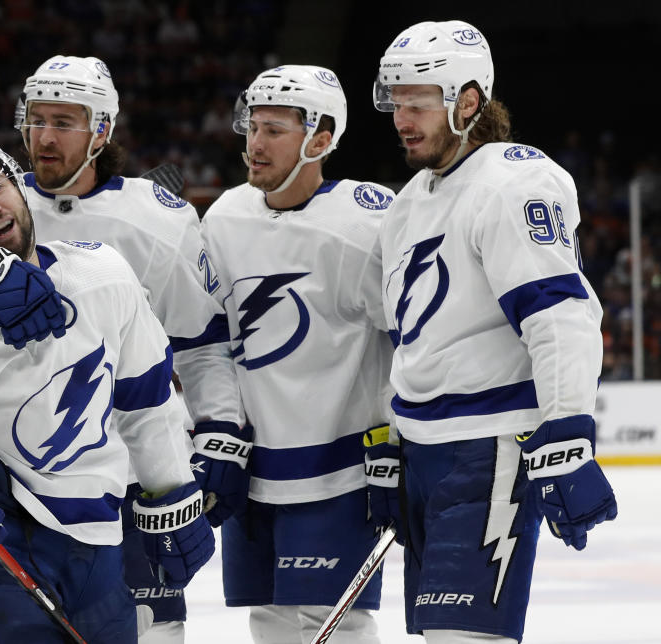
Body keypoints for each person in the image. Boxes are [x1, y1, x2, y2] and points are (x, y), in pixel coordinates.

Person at [0, 135, 215, 644]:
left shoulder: (103, 273)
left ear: (19, 186)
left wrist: (173, 494)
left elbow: (146, 401)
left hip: (101, 540)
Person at [372, 20, 618, 644]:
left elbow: (559, 313)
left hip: (491, 450)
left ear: (469, 100)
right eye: (396, 100)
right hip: (423, 454)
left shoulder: (513, 182)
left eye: (419, 101)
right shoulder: (409, 203)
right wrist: (390, 442)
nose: (403, 117)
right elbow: (408, 338)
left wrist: (567, 431)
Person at [14, 54, 246, 643]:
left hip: (128, 475)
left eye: (64, 122)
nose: (44, 136)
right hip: (16, 474)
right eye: (35, 119)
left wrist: (219, 426)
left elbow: (201, 345)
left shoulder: (155, 221)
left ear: (102, 131)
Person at [199, 65, 396, 644]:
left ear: (320, 138)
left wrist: (393, 442)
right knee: (271, 621)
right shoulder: (226, 217)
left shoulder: (367, 222)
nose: (254, 145)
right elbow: (210, 341)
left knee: (333, 624)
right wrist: (219, 434)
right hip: (254, 467)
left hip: (338, 469)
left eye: (274, 130)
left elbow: (410, 338)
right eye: (252, 127)